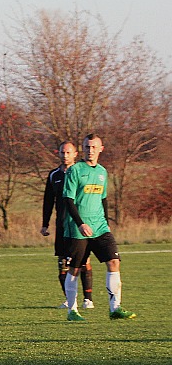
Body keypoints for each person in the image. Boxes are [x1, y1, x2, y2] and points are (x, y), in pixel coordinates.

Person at [62, 134, 136, 321]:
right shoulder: (75, 170)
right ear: (83, 148)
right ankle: (72, 311)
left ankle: (115, 309)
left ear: (101, 149)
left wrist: (106, 223)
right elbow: (68, 200)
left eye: (94, 147)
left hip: (100, 227)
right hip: (78, 229)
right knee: (75, 269)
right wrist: (80, 223)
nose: (90, 150)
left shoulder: (103, 172)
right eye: (87, 147)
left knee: (114, 262)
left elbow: (103, 199)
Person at [40, 141, 93, 309]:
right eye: (62, 152)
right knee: (63, 264)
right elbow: (48, 201)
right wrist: (45, 224)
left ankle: (88, 299)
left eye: (68, 152)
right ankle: (71, 300)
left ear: (75, 154)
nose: (65, 155)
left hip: (79, 224)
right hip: (62, 225)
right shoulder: (54, 175)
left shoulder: (82, 172)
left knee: (83, 261)